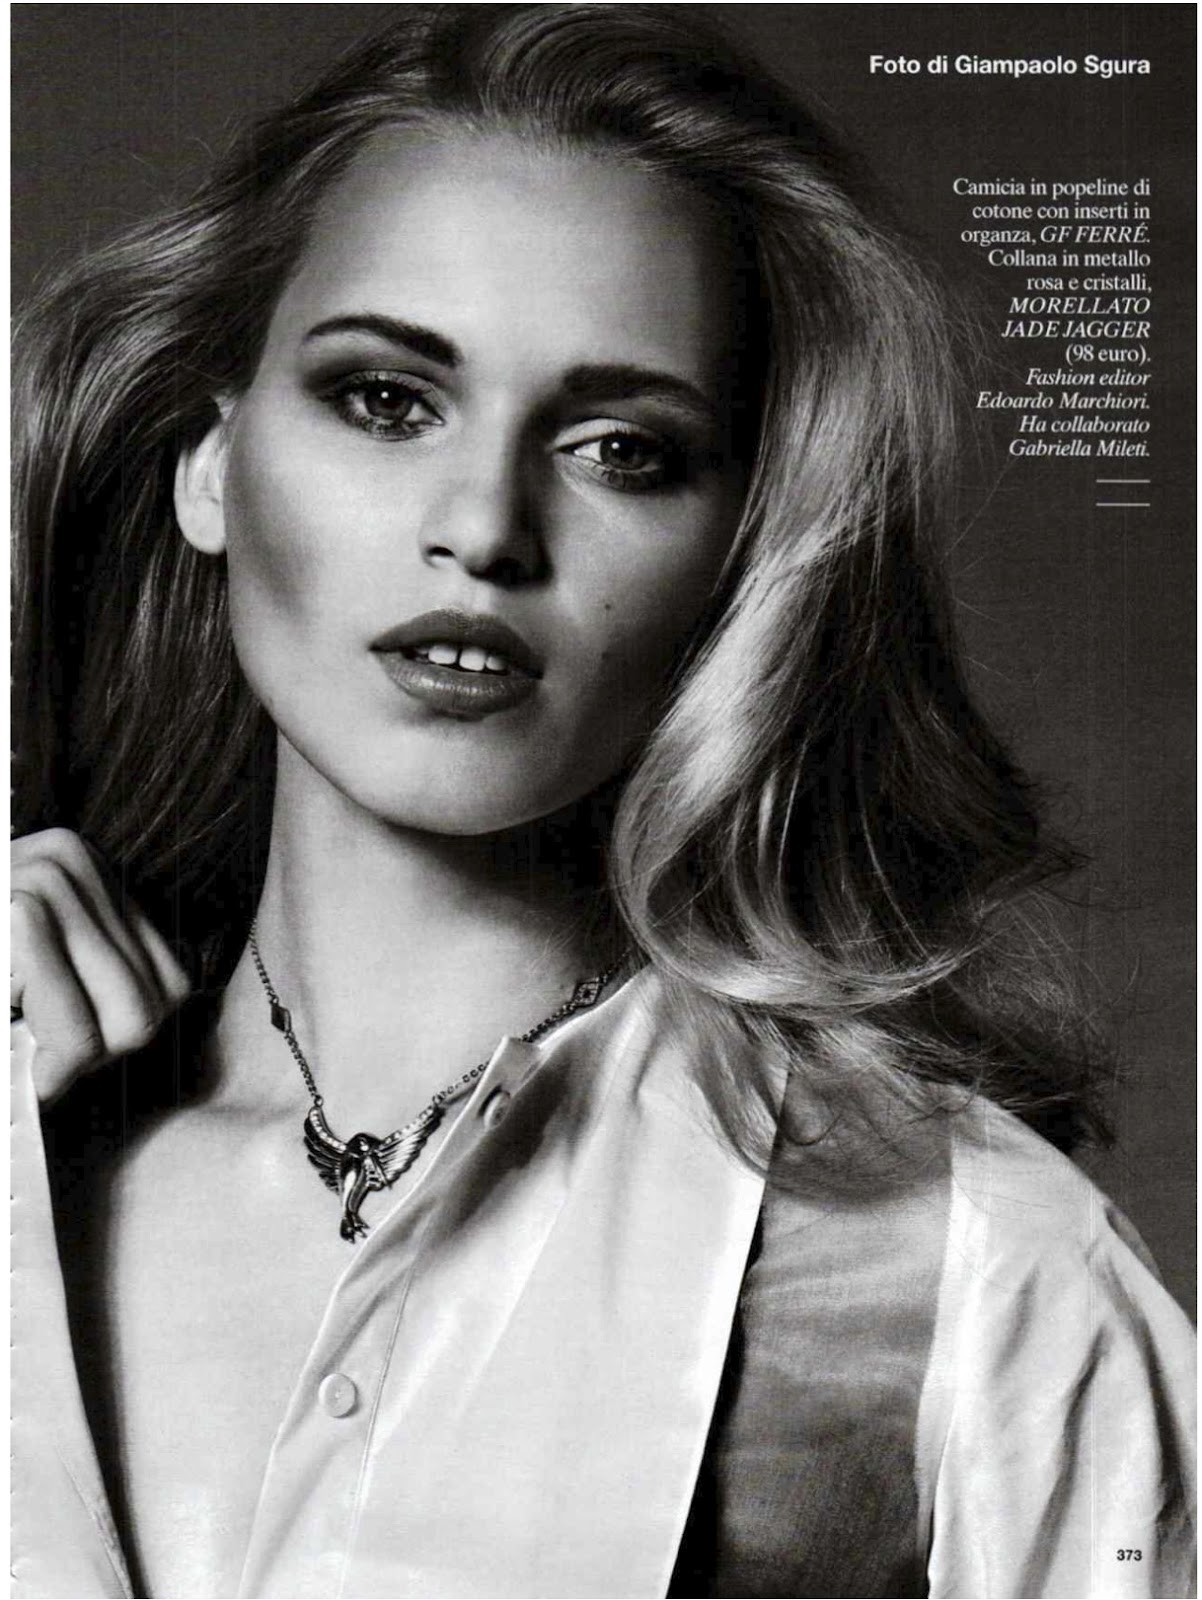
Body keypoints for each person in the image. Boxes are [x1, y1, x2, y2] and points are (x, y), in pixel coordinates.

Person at [10, 6, 1194, 1598]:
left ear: (741, 552)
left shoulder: (974, 1269)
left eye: (621, 450)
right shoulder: (30, 1161)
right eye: (385, 400)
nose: (485, 527)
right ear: (211, 466)